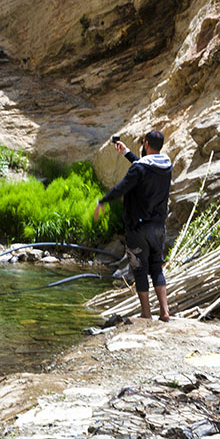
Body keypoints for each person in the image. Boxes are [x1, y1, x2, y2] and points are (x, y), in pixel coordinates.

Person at [93, 130, 172, 321]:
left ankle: (146, 313)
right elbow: (145, 169)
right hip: (158, 228)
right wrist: (127, 153)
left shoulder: (139, 169)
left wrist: (103, 201)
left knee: (140, 269)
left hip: (138, 229)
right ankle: (165, 312)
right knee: (156, 268)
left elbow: (123, 186)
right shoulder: (166, 166)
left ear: (145, 144)